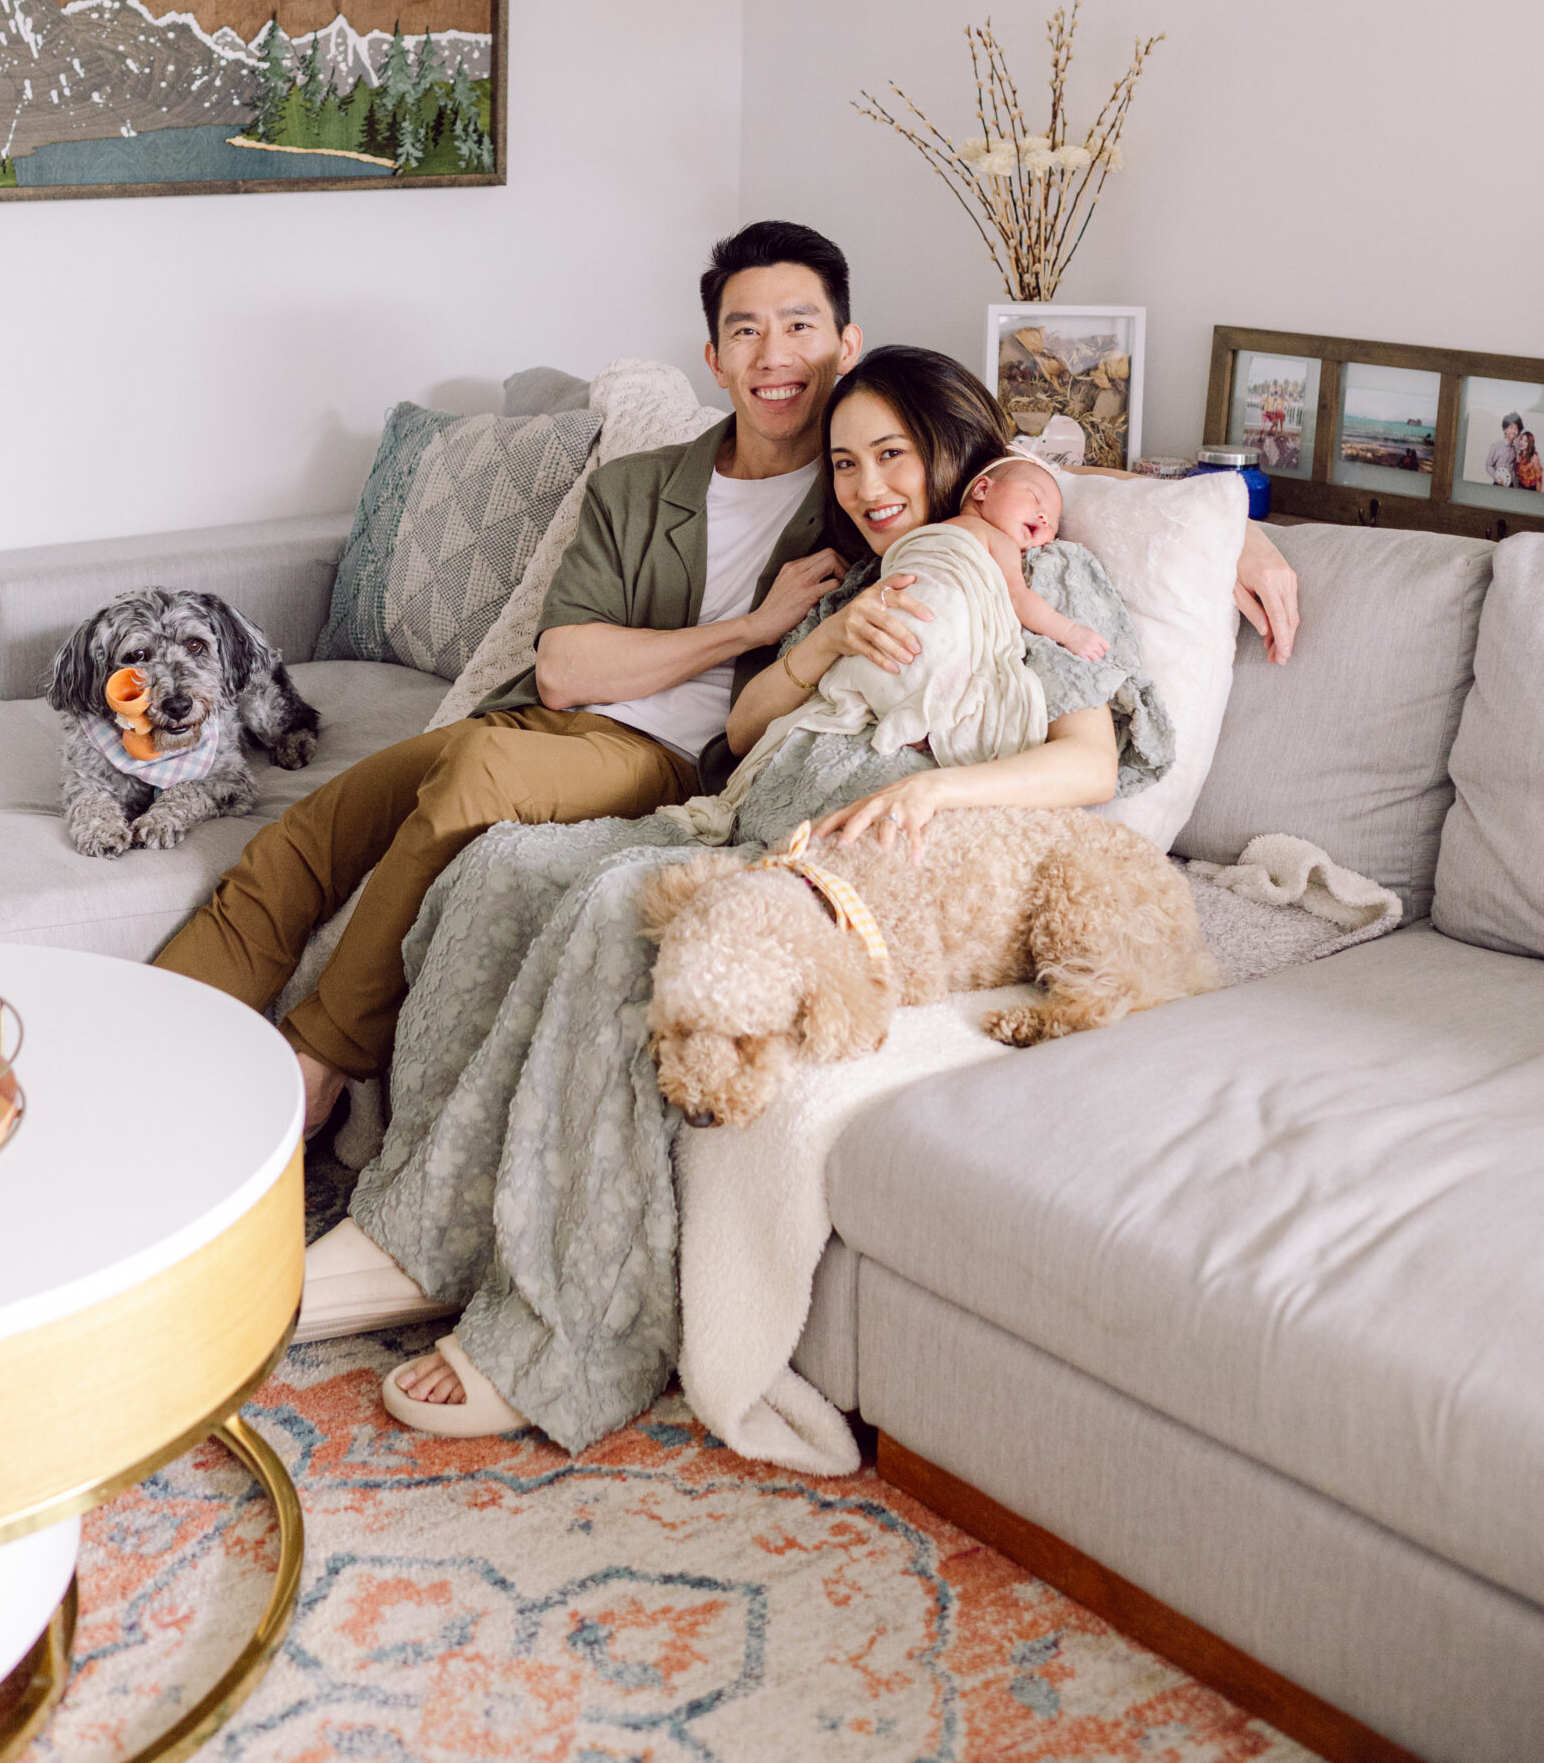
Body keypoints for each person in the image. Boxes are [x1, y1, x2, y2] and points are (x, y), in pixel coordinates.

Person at [338, 348, 1244, 1442]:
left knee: (620, 914)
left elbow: (1087, 763)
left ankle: (568, 1328)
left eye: (891, 456)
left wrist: (936, 787)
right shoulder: (862, 577)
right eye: (846, 462)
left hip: (858, 846)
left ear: (958, 455)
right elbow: (741, 727)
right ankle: (424, 1223)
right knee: (502, 866)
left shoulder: (1033, 571)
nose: (866, 486)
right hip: (744, 811)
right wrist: (821, 647)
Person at [155, 221, 864, 1132]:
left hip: (674, 760)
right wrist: (751, 628)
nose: (774, 355)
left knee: (474, 770)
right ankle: (142, 1046)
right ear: (714, 358)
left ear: (845, 343)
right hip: (545, 721)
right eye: (746, 330)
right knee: (306, 834)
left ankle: (315, 1066)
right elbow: (564, 670)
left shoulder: (863, 494)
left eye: (800, 326)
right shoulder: (638, 485)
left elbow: (984, 499)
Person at [952, 452, 1110, 662]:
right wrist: (1070, 632)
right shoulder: (998, 541)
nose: (1044, 519)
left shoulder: (938, 527)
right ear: (982, 489)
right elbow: (1017, 597)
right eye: (1035, 498)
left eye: (1053, 525)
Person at [1486, 414, 1523, 487]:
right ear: (1505, 430)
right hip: (1498, 484)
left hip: (1511, 485)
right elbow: (1488, 465)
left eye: (1516, 429)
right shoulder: (1496, 446)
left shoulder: (1516, 449)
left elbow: (1514, 469)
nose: (1513, 431)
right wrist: (1497, 478)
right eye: (1511, 428)